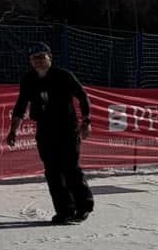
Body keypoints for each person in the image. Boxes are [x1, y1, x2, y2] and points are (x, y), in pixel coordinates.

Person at [8, 46, 94, 224]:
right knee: (52, 171)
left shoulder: (63, 75)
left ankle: (83, 206)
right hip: (45, 129)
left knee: (70, 168)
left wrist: (86, 121)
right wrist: (13, 130)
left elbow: (82, 96)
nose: (38, 61)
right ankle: (64, 211)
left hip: (67, 128)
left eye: (42, 57)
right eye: (34, 58)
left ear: (50, 58)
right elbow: (21, 105)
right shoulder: (29, 79)